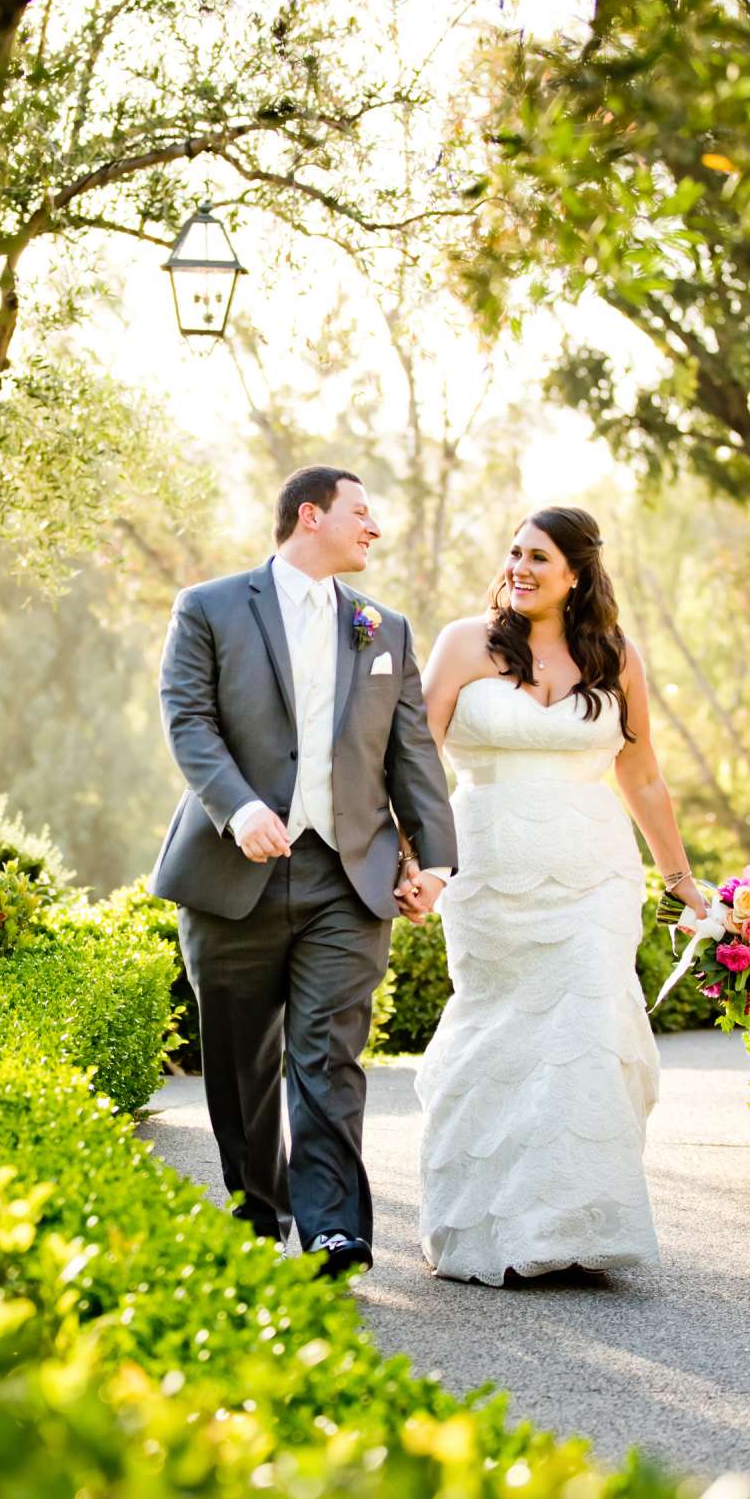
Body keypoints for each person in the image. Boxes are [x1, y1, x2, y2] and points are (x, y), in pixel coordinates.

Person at [151, 465, 458, 1278]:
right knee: (241, 1059)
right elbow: (189, 717)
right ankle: (258, 1211)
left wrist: (437, 862)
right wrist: (239, 807)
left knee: (326, 1053)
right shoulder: (211, 608)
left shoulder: (383, 628)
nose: (374, 528)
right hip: (232, 871)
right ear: (310, 515)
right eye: (362, 512)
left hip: (347, 878)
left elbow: (412, 752)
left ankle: (333, 1232)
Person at [412, 506, 706, 1286]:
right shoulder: (463, 644)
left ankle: (573, 1227)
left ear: (576, 573)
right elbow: (414, 758)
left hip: (594, 878)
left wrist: (681, 882)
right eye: (513, 553)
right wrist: (415, 860)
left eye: (538, 556)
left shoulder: (614, 655)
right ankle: (486, 1224)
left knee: (587, 1021)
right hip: (488, 872)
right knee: (498, 1032)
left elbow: (641, 776)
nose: (520, 567)